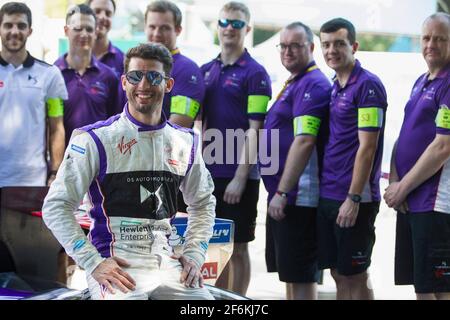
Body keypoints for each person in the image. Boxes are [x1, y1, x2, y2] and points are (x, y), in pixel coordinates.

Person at [42, 43, 216, 300]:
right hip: (114, 265)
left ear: (168, 85)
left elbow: (203, 203)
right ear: (124, 82)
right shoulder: (94, 139)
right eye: (135, 76)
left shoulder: (186, 142)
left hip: (167, 264)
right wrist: (92, 261)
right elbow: (55, 206)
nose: (143, 84)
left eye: (154, 76)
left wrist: (194, 254)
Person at [201, 1, 272, 295]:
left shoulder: (256, 73)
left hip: (238, 174)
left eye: (237, 23)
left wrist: (241, 177)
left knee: (239, 246)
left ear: (248, 29)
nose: (230, 28)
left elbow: (256, 130)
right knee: (214, 246)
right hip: (208, 173)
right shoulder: (205, 70)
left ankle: (238, 302)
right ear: (217, 27)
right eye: (225, 22)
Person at [260, 22, 331, 300]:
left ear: (311, 48)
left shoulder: (312, 84)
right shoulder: (295, 82)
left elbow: (304, 141)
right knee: (291, 277)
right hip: (285, 196)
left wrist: (282, 191)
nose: (288, 52)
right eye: (284, 46)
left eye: (295, 46)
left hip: (298, 197)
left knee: (301, 278)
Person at [318, 18, 387, 299]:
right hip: (330, 192)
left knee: (355, 274)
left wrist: (354, 198)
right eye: (326, 44)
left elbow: (367, 148)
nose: (331, 50)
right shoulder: (335, 84)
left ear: (354, 46)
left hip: (354, 198)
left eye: (339, 44)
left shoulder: (368, 85)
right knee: (338, 272)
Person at [384, 13, 450, 300]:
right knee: (421, 286)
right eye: (426, 38)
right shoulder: (421, 81)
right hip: (412, 199)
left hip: (435, 202)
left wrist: (403, 187)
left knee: (439, 288)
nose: (431, 44)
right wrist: (395, 181)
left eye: (440, 38)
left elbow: (443, 147)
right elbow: (405, 134)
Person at [0, 2, 67, 187]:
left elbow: (56, 127)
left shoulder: (49, 75)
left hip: (33, 180)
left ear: (30, 30)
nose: (14, 31)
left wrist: (55, 172)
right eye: (8, 25)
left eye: (21, 25)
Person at [54, 4, 121, 147]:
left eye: (89, 29)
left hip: (99, 161)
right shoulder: (53, 74)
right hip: (64, 161)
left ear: (95, 33)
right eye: (78, 28)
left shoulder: (109, 77)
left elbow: (117, 124)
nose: (84, 34)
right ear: (66, 31)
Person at [144, 0, 204, 128]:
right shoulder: (135, 65)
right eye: (152, 27)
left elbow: (177, 126)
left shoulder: (187, 70)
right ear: (145, 27)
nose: (156, 34)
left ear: (178, 30)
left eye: (164, 28)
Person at [86, 0, 124, 78]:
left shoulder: (123, 61)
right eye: (97, 11)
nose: (103, 17)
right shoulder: (70, 60)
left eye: (108, 13)